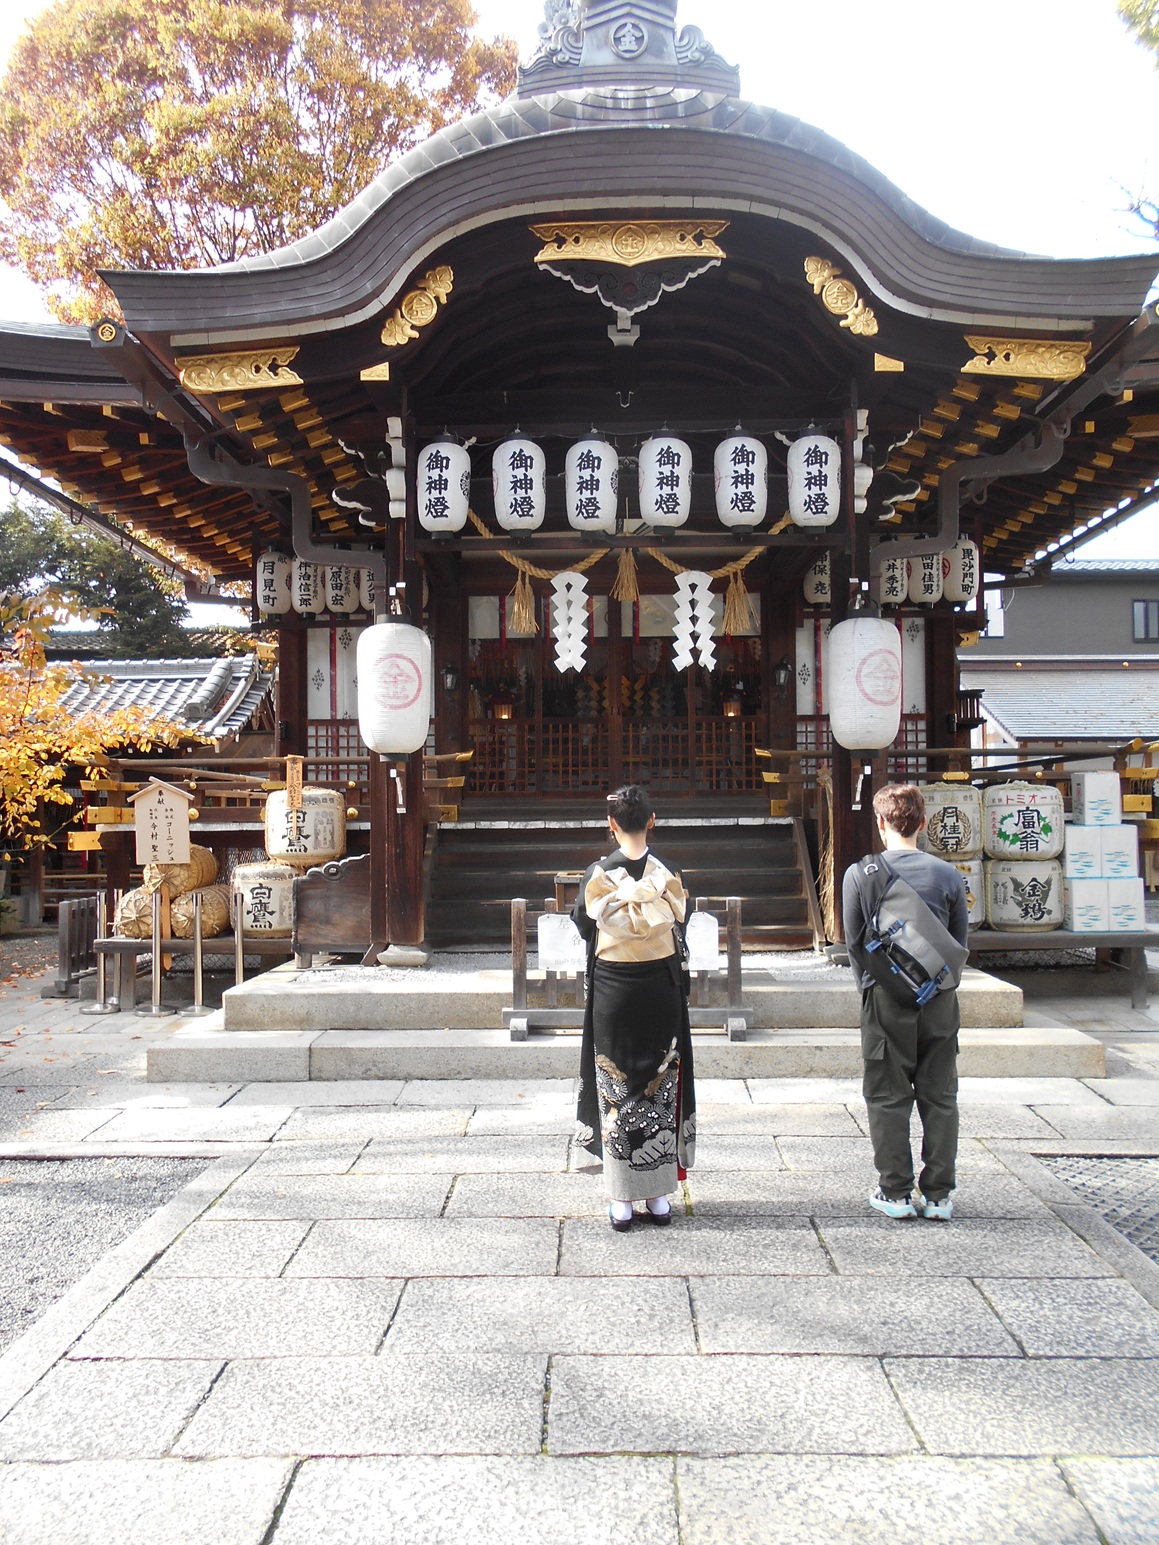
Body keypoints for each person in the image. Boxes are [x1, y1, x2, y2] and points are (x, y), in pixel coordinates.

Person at [842, 783, 969, 1222]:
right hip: (940, 998)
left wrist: (876, 989)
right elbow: (958, 945)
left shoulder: (860, 874)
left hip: (885, 999)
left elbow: (855, 946)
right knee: (940, 1095)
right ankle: (938, 1196)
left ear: (880, 823)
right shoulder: (948, 875)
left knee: (887, 1094)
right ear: (922, 822)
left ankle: (894, 1191)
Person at [572, 784, 696, 1231]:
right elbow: (685, 918)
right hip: (659, 987)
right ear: (651, 820)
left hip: (614, 989)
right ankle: (659, 1198)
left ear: (611, 825)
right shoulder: (670, 873)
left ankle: (621, 1201)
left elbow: (584, 924)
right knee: (659, 1082)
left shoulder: (597, 874)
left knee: (616, 1086)